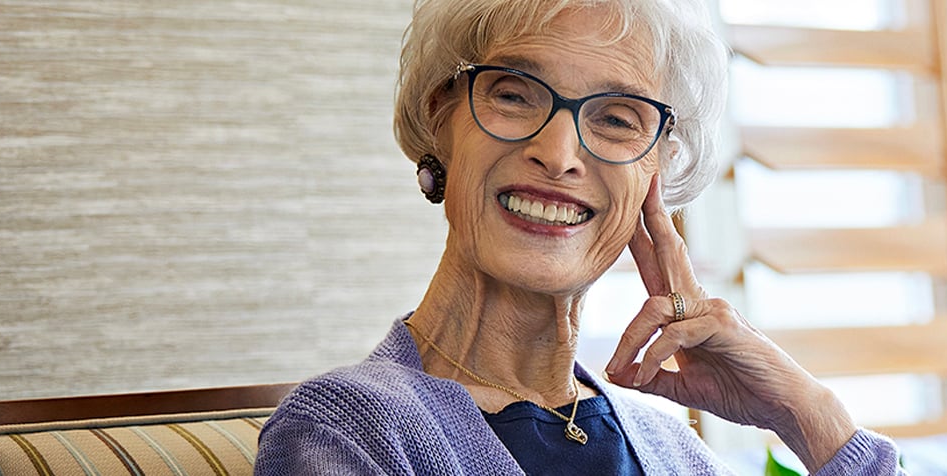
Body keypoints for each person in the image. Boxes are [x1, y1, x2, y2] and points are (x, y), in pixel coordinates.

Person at [255, 0, 902, 473]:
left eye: (617, 118)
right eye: (514, 95)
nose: (559, 153)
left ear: (656, 171)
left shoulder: (673, 450)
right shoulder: (345, 431)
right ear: (439, 117)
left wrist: (805, 414)